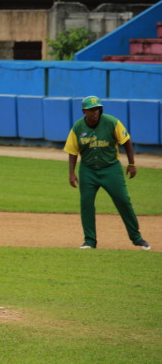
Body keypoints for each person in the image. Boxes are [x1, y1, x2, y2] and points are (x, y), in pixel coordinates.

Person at [63, 96, 151, 250]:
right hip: (88, 170)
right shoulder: (78, 127)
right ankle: (90, 241)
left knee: (123, 201)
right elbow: (72, 151)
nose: (95, 112)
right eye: (91, 110)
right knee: (86, 204)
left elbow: (126, 141)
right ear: (84, 111)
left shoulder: (112, 122)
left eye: (97, 109)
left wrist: (131, 164)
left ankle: (137, 238)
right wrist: (72, 173)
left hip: (111, 169)